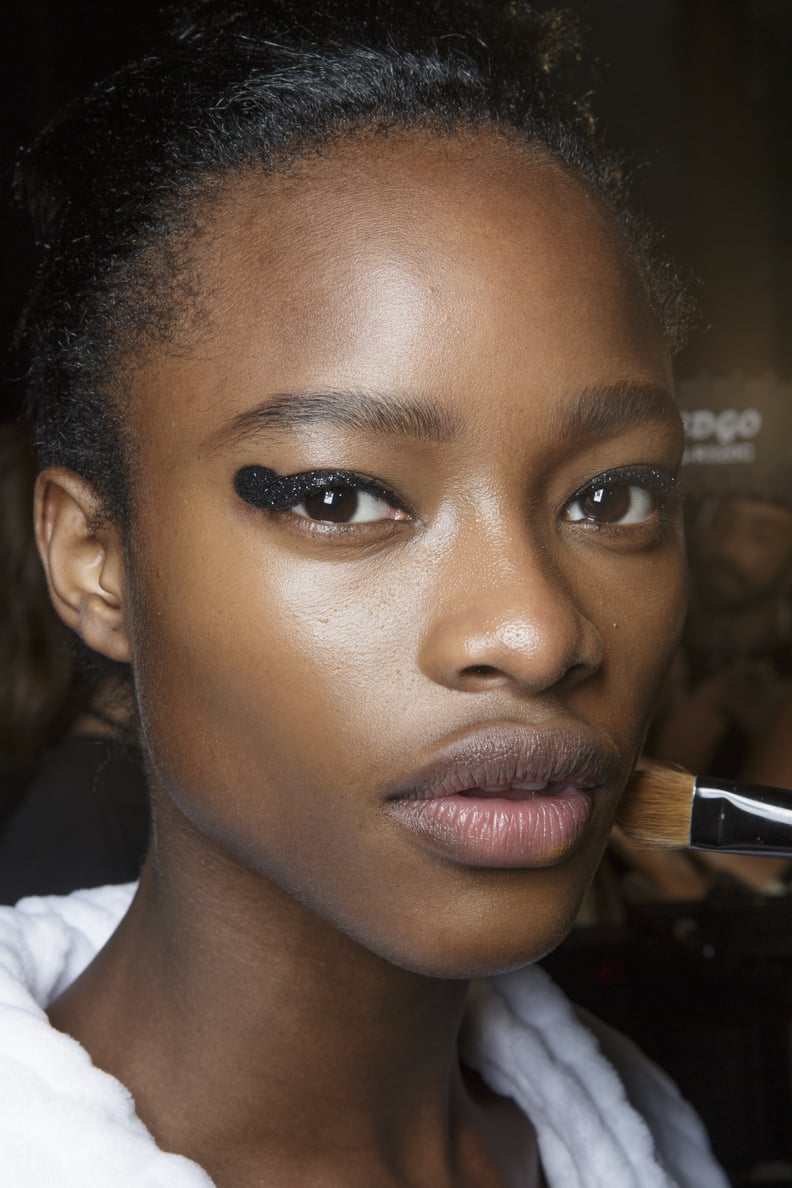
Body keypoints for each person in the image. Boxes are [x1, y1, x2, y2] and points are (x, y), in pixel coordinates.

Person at [0, 2, 727, 1184]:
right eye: (339, 498)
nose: (536, 635)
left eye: (612, 498)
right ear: (97, 560)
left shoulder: (646, 1140)